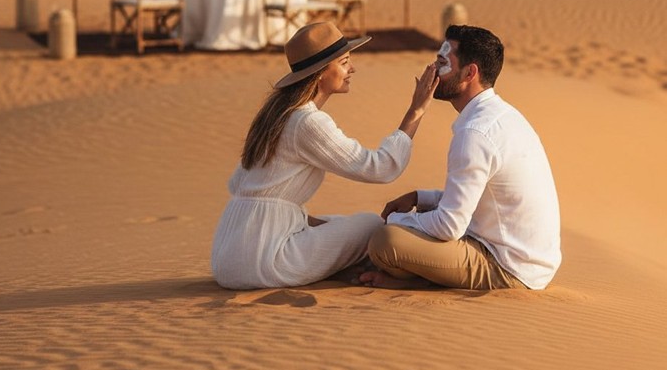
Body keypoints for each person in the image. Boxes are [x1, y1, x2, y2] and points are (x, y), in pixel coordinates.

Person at [212, 21, 439, 289]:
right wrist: (416, 111)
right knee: (368, 224)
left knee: (335, 223)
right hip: (263, 260)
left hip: (227, 256)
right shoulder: (307, 122)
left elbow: (258, 191)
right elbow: (381, 168)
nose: (352, 68)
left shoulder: (275, 114)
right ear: (321, 72)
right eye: (344, 62)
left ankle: (337, 267)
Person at [360, 24, 561, 291]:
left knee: (385, 241)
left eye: (442, 62)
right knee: (406, 230)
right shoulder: (501, 116)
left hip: (508, 267)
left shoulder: (475, 132)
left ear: (470, 72)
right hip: (523, 258)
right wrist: (421, 199)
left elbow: (449, 226)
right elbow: (480, 198)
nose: (431, 70)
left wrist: (397, 220)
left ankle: (418, 283)